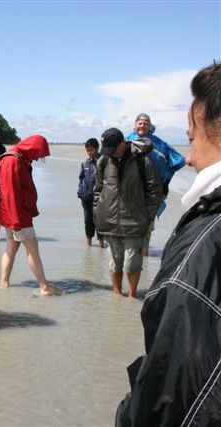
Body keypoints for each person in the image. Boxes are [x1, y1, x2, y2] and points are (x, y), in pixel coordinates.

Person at [115, 62, 221, 426]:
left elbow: (169, 399)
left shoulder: (201, 252)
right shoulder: (125, 147)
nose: (189, 156)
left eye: (192, 139)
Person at [93, 128, 162, 298]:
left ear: (123, 142)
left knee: (132, 263)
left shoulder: (142, 160)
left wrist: (149, 217)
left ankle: (132, 295)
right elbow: (97, 190)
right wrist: (98, 210)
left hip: (136, 220)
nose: (110, 154)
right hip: (109, 220)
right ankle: (117, 295)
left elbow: (154, 191)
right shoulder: (103, 161)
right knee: (115, 262)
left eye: (113, 149)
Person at [0, 134, 64, 296]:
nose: (37, 158)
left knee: (10, 249)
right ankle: (44, 288)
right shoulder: (12, 160)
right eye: (38, 155)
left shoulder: (18, 157)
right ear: (32, 149)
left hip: (12, 215)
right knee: (33, 250)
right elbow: (9, 193)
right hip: (17, 216)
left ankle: (4, 283)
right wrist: (15, 220)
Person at [127, 113, 186, 255]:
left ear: (150, 126)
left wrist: (165, 186)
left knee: (148, 222)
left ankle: (145, 253)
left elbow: (176, 161)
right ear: (135, 125)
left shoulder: (159, 144)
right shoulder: (126, 141)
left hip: (152, 190)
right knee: (130, 220)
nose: (142, 125)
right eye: (140, 123)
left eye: (145, 123)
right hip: (131, 189)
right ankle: (131, 252)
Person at [77, 138, 104, 248]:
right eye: (87, 150)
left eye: (91, 150)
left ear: (97, 149)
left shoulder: (103, 162)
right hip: (86, 197)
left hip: (99, 198)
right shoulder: (85, 163)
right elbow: (81, 178)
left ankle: (102, 245)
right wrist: (80, 192)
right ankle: (88, 244)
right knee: (88, 220)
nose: (89, 152)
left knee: (99, 221)